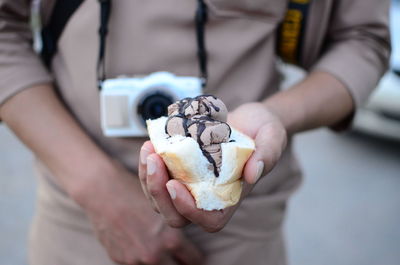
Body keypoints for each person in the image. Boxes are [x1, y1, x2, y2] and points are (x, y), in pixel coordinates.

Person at [0, 0, 390, 264]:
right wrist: (95, 186)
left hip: (245, 227)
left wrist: (276, 115)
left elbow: (363, 40)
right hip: (76, 219)